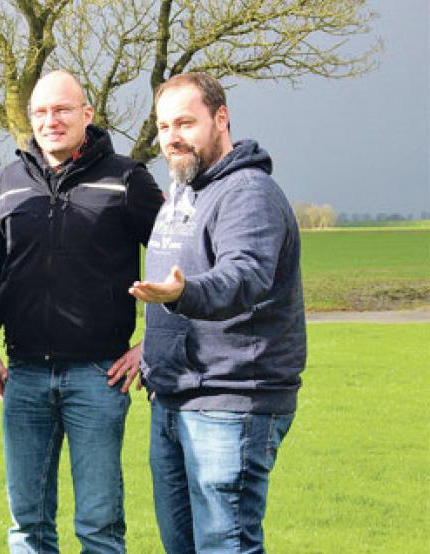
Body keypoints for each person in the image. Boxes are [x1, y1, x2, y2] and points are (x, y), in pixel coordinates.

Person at [0, 70, 164, 553]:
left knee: (99, 526)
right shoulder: (10, 180)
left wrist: (151, 345)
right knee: (27, 527)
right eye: (39, 112)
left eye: (61, 110)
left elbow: (179, 267)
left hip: (98, 377)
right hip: (24, 377)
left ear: (87, 114)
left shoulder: (128, 179)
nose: (50, 120)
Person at [129, 72, 306, 553]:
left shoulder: (247, 192)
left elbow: (243, 277)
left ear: (220, 119)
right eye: (164, 127)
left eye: (185, 123)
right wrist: (152, 348)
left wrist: (182, 294)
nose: (172, 138)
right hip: (172, 398)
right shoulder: (184, 192)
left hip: (230, 403)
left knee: (225, 546)